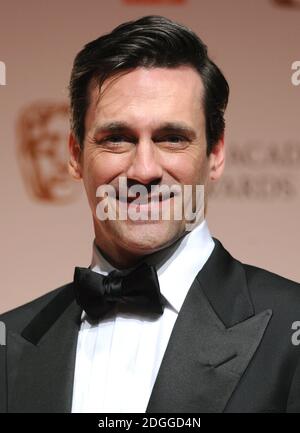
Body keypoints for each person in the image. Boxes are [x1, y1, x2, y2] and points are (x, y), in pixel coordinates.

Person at [1, 15, 300, 413]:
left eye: (172, 138)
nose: (144, 170)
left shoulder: (289, 326)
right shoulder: (10, 341)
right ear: (75, 156)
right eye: (117, 139)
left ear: (216, 154)